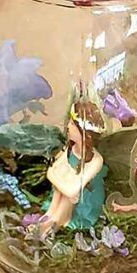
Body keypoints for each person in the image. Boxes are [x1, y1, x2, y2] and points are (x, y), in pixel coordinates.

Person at [41, 100, 108, 233]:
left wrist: (60, 181)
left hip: (85, 201)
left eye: (72, 123)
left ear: (82, 132)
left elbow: (73, 190)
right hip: (65, 193)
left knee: (72, 195)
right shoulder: (71, 149)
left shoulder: (96, 160)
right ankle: (48, 217)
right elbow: (51, 171)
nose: (68, 127)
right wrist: (61, 182)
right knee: (65, 190)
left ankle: (52, 224)